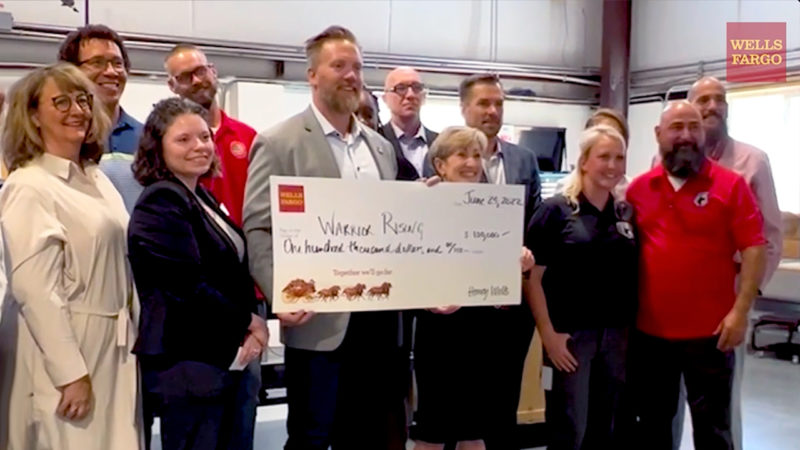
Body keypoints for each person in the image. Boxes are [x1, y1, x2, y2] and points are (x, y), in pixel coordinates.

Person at [243, 25, 406, 450]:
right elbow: (259, 225)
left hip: (378, 319)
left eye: (357, 67)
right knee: (312, 436)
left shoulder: (381, 148)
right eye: (339, 66)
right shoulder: (279, 142)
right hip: (318, 319)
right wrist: (282, 292)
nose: (351, 75)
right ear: (312, 74)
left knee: (369, 432)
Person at [0, 62, 140, 450]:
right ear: (32, 115)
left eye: (82, 99)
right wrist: (70, 374)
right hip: (66, 346)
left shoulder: (95, 177)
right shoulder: (30, 185)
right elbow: (35, 291)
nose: (77, 110)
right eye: (60, 102)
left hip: (112, 345)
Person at [128, 97, 268, 450]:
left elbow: (232, 270)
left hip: (222, 356)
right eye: (183, 139)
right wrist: (248, 322)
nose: (199, 147)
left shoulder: (200, 195)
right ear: (157, 148)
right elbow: (185, 285)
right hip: (188, 361)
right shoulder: (161, 200)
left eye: (205, 137)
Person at [626, 101, 766, 450]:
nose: (686, 136)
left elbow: (754, 248)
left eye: (694, 126)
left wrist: (740, 311)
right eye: (677, 127)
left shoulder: (731, 186)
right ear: (658, 134)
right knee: (653, 428)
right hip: (651, 335)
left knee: (714, 430)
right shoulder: (638, 190)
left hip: (711, 334)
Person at [660, 77, 784, 450]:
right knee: (667, 407)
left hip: (724, 311)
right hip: (668, 314)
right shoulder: (665, 159)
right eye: (704, 100)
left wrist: (744, 302)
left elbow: (770, 237)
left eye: (720, 100)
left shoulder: (752, 162)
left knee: (720, 411)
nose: (713, 106)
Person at [412, 126, 535, 450]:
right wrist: (426, 301)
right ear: (440, 164)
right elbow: (406, 268)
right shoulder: (422, 203)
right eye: (462, 154)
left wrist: (519, 260)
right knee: (432, 430)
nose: (471, 162)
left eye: (477, 155)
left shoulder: (494, 208)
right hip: (438, 333)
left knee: (474, 430)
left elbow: (500, 260)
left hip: (483, 331)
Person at [525, 125, 637, 449]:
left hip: (616, 338)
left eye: (619, 157)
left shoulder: (624, 213)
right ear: (584, 161)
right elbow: (533, 278)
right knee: (569, 427)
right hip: (571, 339)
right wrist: (548, 335)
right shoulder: (556, 211)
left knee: (605, 426)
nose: (613, 165)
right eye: (604, 157)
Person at [459, 73, 542, 448]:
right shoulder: (446, 156)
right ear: (465, 109)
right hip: (462, 302)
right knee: (466, 399)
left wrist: (528, 254)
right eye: (483, 103)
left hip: (511, 301)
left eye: (498, 104)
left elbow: (536, 221)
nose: (493, 111)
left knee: (506, 394)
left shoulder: (524, 160)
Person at [165, 43, 257, 227]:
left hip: (246, 248)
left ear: (213, 71)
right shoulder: (166, 143)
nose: (197, 81)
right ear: (172, 86)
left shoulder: (249, 137)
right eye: (185, 77)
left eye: (200, 71)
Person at [58, 24, 143, 212]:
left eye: (118, 63)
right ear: (70, 72)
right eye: (97, 63)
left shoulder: (148, 137)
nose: (111, 72)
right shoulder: (60, 139)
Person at [380, 67, 438, 180]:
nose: (410, 95)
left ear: (424, 96)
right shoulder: (376, 141)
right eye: (401, 88)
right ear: (385, 99)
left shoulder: (441, 143)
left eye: (417, 88)